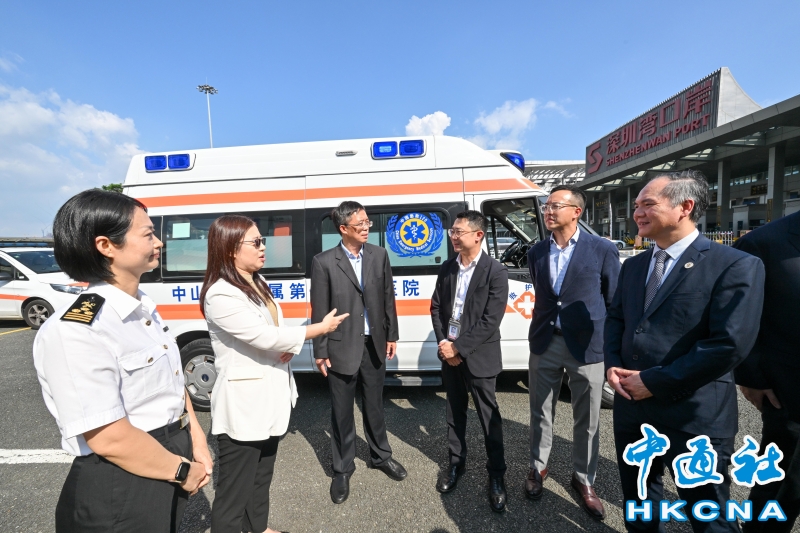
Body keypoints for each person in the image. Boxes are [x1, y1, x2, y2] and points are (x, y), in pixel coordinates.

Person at [33, 189, 213, 532]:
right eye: (147, 234)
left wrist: (196, 439)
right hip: (121, 478)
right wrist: (181, 471)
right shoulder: (77, 328)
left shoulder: (143, 309)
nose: (159, 242)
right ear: (106, 246)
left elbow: (173, 384)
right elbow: (108, 438)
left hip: (165, 457)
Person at [604, 170, 765, 532]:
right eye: (636, 205)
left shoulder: (734, 264)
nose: (637, 213)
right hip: (632, 407)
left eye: (648, 204)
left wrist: (654, 382)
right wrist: (612, 365)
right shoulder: (634, 266)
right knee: (640, 503)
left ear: (685, 207)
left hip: (694, 414)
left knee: (708, 514)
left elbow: (729, 344)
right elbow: (616, 320)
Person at [201, 215, 348, 533]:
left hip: (269, 397)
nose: (263, 247)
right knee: (233, 492)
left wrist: (289, 346)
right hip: (244, 405)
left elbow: (273, 331)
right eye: (255, 242)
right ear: (230, 249)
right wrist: (318, 329)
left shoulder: (256, 281)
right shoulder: (221, 293)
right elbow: (262, 336)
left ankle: (258, 528)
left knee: (261, 476)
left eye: (262, 240)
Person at [525, 185, 619, 519]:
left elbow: (613, 299)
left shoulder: (602, 249)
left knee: (588, 417)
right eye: (546, 206)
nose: (547, 211)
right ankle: (538, 467)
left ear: (576, 211)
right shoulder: (537, 252)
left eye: (555, 206)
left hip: (588, 344)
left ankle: (583, 479)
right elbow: (547, 295)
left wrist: (612, 347)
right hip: (545, 341)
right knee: (540, 410)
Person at [310, 201, 407, 505]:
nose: (366, 228)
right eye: (360, 224)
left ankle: (381, 456)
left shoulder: (379, 255)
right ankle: (342, 468)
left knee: (375, 405)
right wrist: (320, 350)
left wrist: (391, 334)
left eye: (367, 222)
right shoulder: (324, 262)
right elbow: (320, 310)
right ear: (343, 229)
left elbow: (388, 296)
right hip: (340, 346)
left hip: (374, 343)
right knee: (341, 411)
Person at [430, 210, 510, 513]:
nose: (453, 236)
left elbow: (491, 320)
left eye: (459, 232)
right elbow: (436, 307)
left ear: (478, 235)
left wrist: (458, 348)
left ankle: (497, 474)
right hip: (449, 353)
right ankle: (455, 463)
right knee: (454, 412)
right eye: (452, 231)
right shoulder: (448, 267)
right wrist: (444, 344)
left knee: (489, 416)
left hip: (478, 355)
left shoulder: (495, 271)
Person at [733, 209, 800, 532]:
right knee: (781, 480)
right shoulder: (764, 243)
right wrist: (750, 376)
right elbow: (740, 318)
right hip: (789, 390)